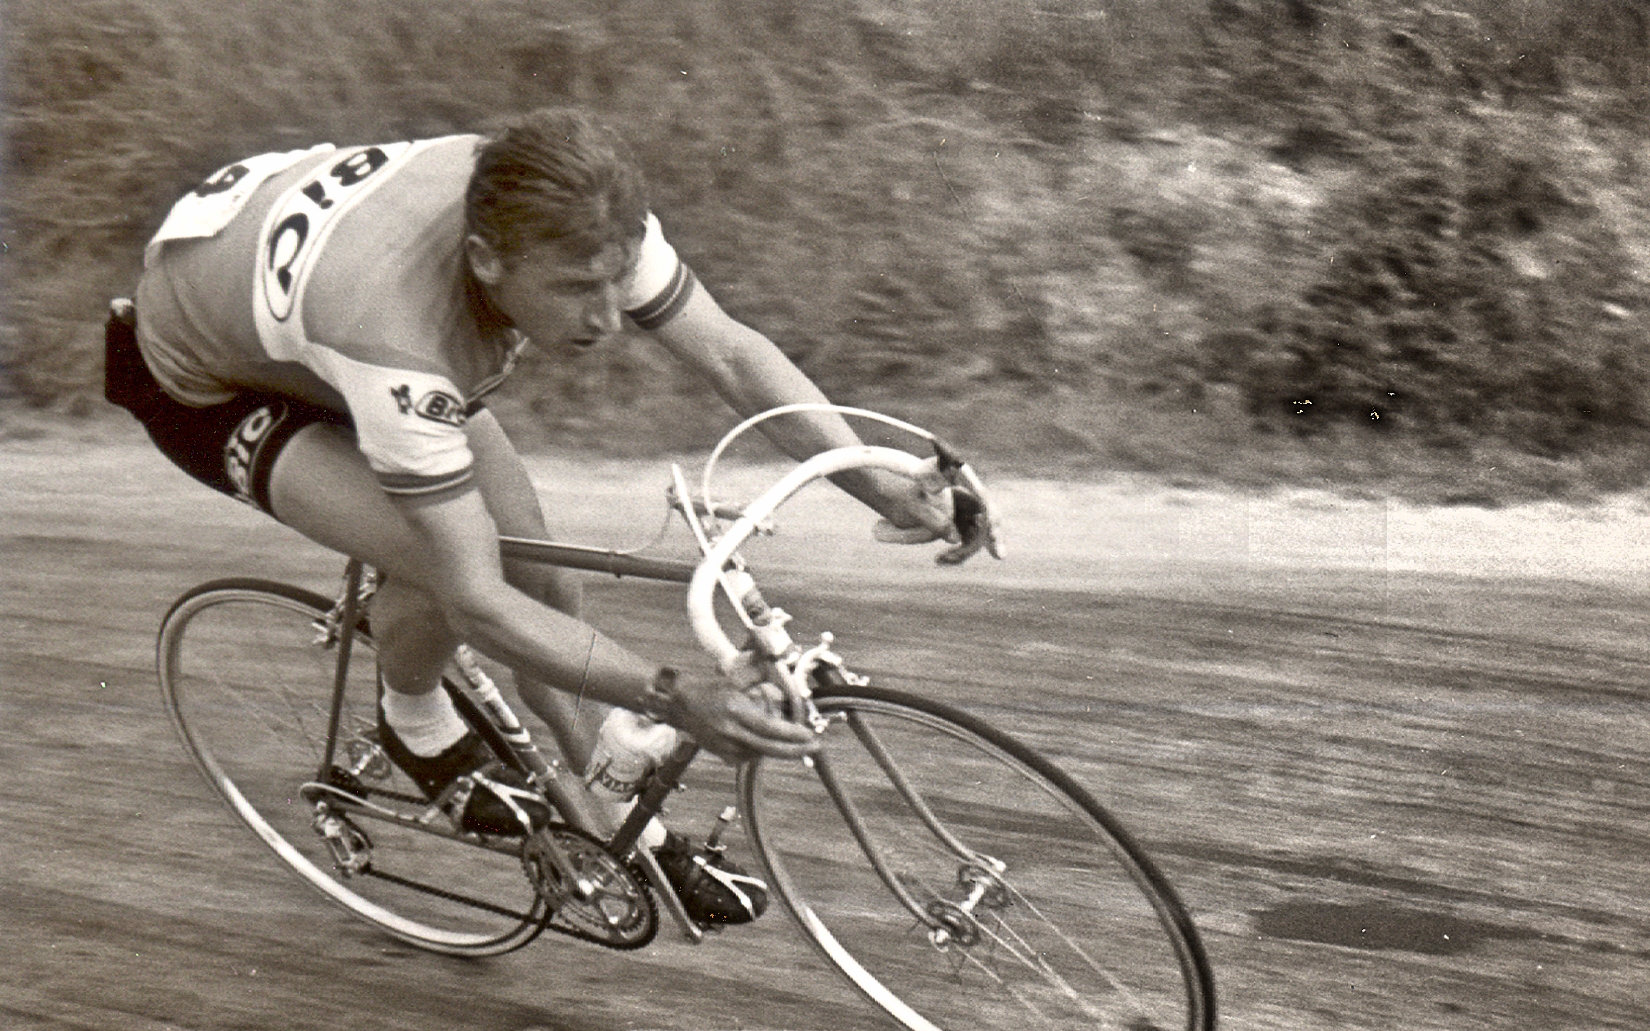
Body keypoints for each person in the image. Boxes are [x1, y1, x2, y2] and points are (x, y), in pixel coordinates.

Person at [106, 107, 988, 922]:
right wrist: (679, 697)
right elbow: (482, 601)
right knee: (456, 568)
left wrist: (887, 483)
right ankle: (414, 724)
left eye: (617, 283)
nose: (608, 317)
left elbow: (730, 354)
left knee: (551, 581)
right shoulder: (400, 339)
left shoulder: (576, 209)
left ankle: (612, 822)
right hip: (209, 379)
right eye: (575, 290)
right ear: (489, 261)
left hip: (307, 304)